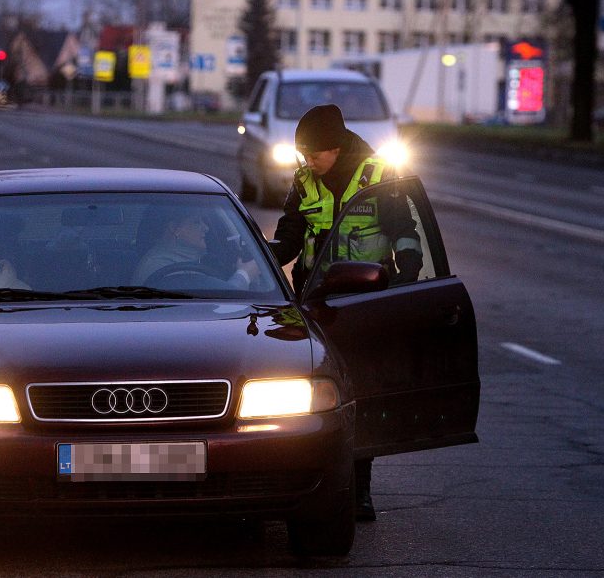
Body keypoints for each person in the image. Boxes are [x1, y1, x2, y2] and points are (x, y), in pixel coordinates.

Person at [269, 104, 424, 522]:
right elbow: (288, 239)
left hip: (365, 302)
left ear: (335, 148)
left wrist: (406, 282)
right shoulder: (304, 181)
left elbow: (406, 233)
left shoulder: (379, 175)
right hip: (317, 303)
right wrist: (253, 262)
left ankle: (360, 491)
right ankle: (308, 484)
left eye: (313, 155)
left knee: (362, 397)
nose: (307, 163)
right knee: (317, 399)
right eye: (302, 156)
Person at [132, 209, 260, 290]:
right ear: (175, 229)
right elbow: (221, 298)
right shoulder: (160, 265)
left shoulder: (196, 259)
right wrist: (244, 274)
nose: (206, 228)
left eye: (204, 221)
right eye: (196, 222)